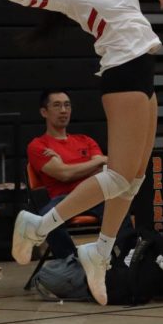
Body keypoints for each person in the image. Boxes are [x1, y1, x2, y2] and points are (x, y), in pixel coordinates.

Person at [2, 0, 163, 305]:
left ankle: (101, 250)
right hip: (121, 72)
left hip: (145, 69)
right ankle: (38, 224)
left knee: (135, 179)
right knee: (118, 175)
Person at [26, 90, 112, 259]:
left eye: (67, 105)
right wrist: (97, 161)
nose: (63, 110)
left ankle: (125, 258)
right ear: (44, 112)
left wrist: (68, 167)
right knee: (45, 218)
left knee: (120, 203)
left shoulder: (85, 140)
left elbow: (103, 169)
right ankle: (71, 261)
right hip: (65, 198)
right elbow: (64, 175)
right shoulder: (38, 145)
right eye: (57, 105)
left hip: (94, 194)